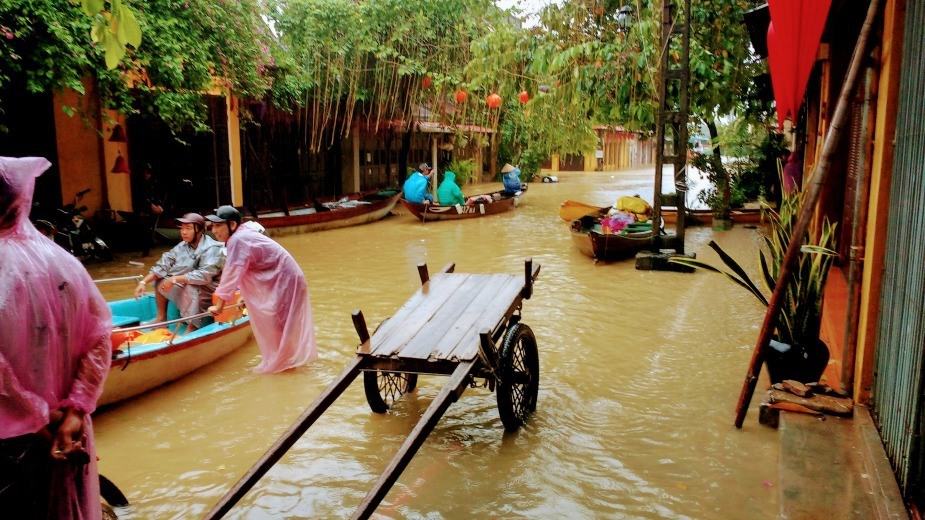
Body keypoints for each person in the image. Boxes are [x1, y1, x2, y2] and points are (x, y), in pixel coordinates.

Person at [0, 156, 112, 519]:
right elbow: (100, 339)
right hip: (69, 433)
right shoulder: (64, 262)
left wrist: (40, 418)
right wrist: (75, 411)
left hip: (17, 443)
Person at [206, 205, 317, 373]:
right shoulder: (242, 235)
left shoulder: (238, 239)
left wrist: (219, 306)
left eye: (218, 225)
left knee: (278, 324)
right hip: (284, 281)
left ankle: (286, 366)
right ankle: (286, 363)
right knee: (279, 324)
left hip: (286, 282)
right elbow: (245, 269)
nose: (214, 230)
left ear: (232, 225)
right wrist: (244, 295)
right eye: (212, 226)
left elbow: (231, 273)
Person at [133, 212, 224, 331]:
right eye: (182, 228)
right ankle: (161, 318)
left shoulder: (213, 248)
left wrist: (174, 279)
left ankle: (193, 327)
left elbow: (204, 276)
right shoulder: (182, 246)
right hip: (189, 283)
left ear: (199, 230)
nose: (184, 232)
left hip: (209, 288)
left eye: (188, 228)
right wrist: (143, 282)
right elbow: (163, 264)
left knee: (192, 288)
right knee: (160, 279)